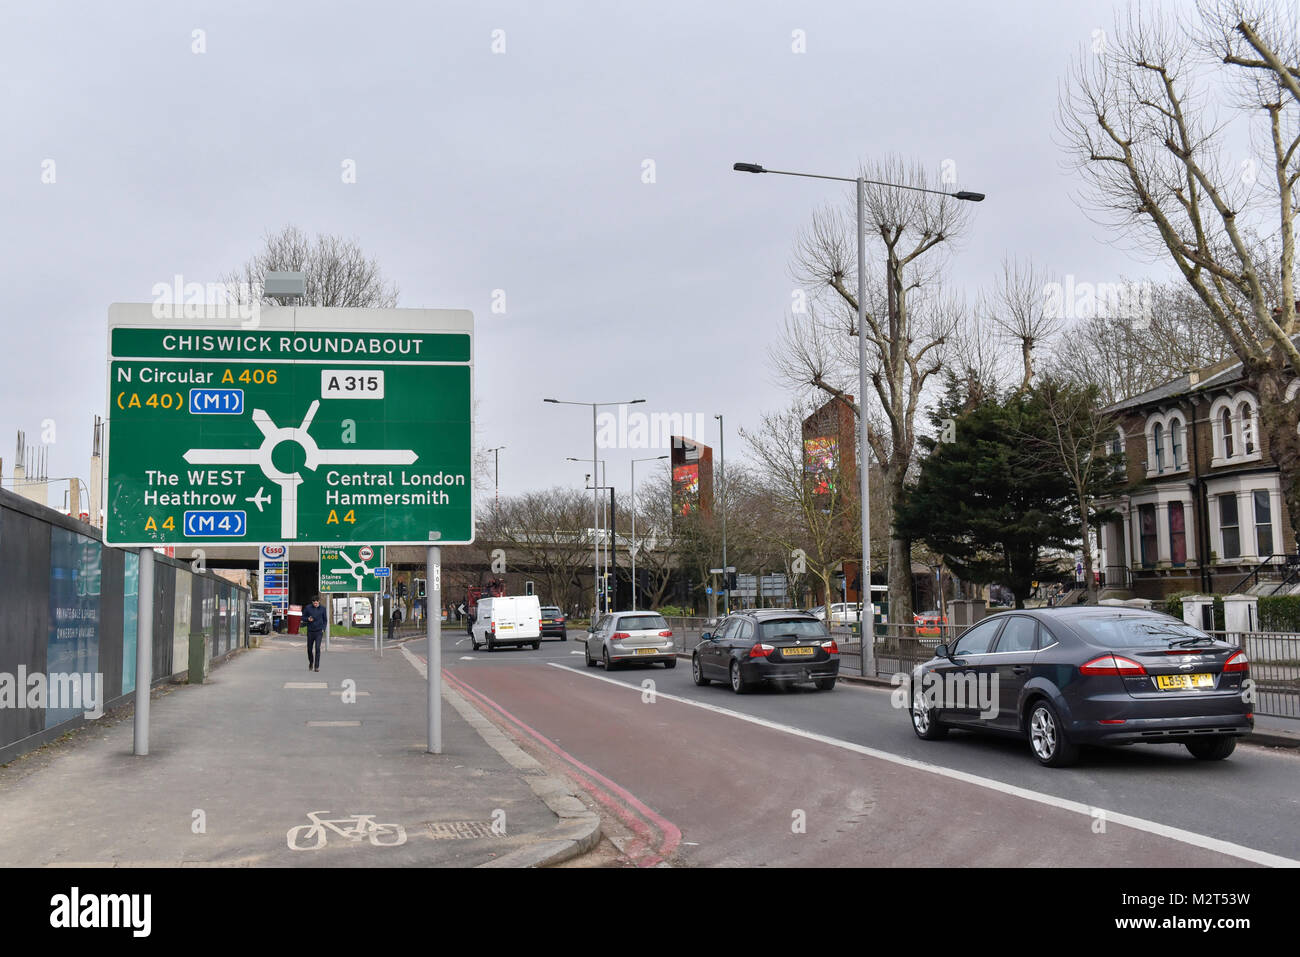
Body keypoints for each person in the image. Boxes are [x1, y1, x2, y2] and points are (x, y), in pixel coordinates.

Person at [303, 595, 328, 672]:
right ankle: (311, 662)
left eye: (317, 603)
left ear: (319, 602)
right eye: (314, 603)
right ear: (312, 602)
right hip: (310, 631)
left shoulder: (323, 609)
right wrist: (307, 619)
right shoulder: (308, 608)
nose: (315, 604)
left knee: (317, 648)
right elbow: (302, 617)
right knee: (309, 649)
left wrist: (323, 629)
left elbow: (325, 620)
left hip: (319, 632)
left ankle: (316, 666)